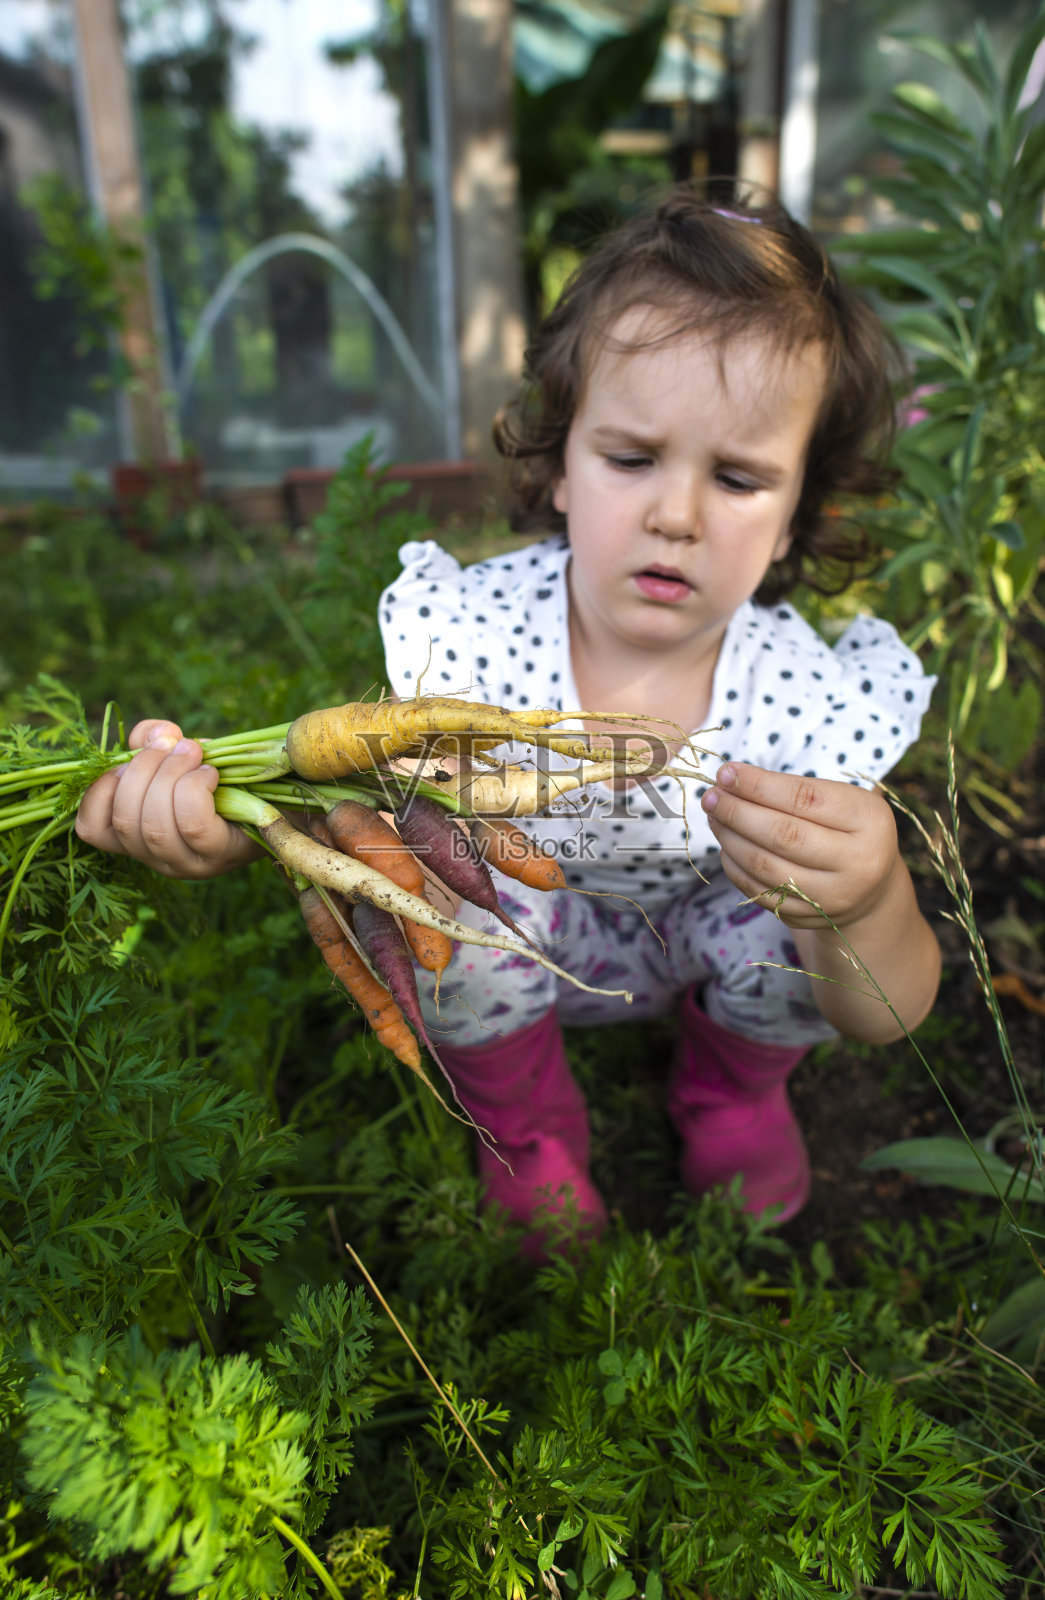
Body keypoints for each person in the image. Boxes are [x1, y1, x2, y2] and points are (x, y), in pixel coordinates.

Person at [76, 186, 941, 1251]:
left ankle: (732, 1094)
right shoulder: (477, 640)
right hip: (530, 933)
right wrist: (226, 822)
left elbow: (887, 1012)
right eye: (631, 458)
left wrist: (865, 904)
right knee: (421, 885)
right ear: (563, 463)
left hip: (711, 944)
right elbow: (355, 807)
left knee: (796, 913)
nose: (676, 513)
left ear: (797, 511)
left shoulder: (806, 697)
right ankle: (526, 1131)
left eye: (737, 477)